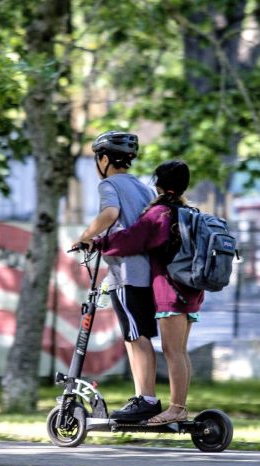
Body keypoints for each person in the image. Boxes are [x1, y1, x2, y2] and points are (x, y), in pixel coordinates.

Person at [94, 160, 204, 425]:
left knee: (172, 351)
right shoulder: (187, 211)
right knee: (180, 350)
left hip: (170, 291)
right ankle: (178, 406)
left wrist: (98, 242)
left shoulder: (161, 214)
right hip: (191, 290)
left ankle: (176, 408)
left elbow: (132, 239)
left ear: (159, 183)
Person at [72, 130, 160, 422]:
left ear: (105, 159)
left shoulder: (109, 184)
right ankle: (141, 397)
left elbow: (110, 214)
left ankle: (147, 399)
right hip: (145, 272)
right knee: (135, 335)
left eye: (98, 158)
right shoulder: (143, 188)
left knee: (137, 337)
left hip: (127, 272)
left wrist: (85, 235)